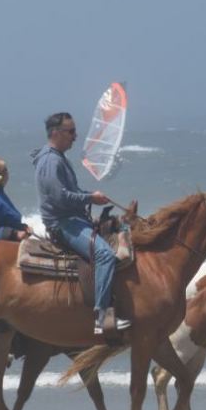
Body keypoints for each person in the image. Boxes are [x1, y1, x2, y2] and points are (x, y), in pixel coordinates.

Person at [31, 112, 131, 335]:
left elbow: (70, 193)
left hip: (72, 218)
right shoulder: (51, 160)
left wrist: (90, 196)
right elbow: (59, 197)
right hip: (64, 223)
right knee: (105, 254)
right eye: (71, 131)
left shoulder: (58, 158)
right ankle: (102, 315)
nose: (75, 136)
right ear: (56, 133)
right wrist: (89, 198)